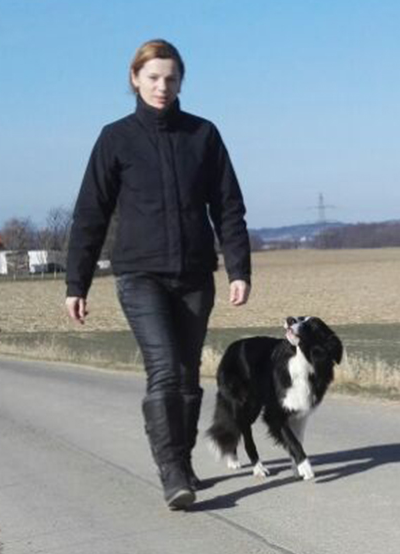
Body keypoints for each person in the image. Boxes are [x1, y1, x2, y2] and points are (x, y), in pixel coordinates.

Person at [65, 39, 251, 510]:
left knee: (188, 377)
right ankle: (171, 471)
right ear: (135, 79)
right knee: (165, 370)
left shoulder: (203, 135)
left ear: (181, 81)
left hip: (193, 275)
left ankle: (183, 461)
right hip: (139, 275)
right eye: (152, 78)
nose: (162, 87)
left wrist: (238, 267)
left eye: (170, 78)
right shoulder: (116, 138)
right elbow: (90, 214)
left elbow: (228, 207)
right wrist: (76, 283)